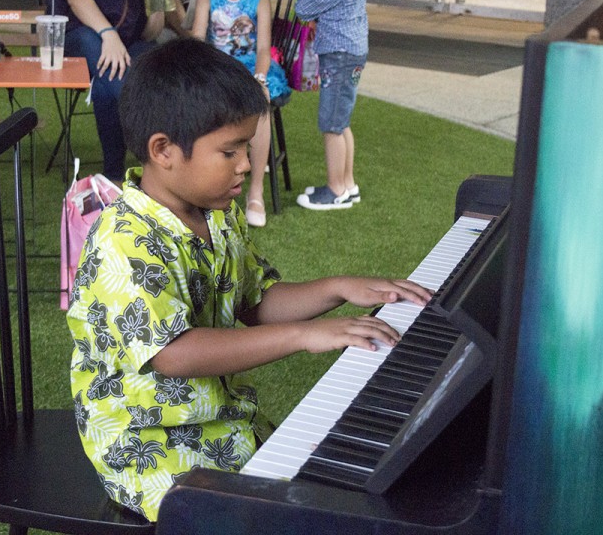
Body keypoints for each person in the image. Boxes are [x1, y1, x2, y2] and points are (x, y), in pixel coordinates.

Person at [65, 38, 432, 521]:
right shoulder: (124, 240)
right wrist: (304, 335)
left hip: (221, 420)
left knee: (344, 494)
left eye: (247, 146)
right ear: (164, 150)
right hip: (149, 447)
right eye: (230, 150)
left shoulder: (216, 212)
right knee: (291, 516)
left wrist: (338, 288)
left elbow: (256, 301)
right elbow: (173, 353)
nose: (246, 163)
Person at [60, 0, 174, 183]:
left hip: (132, 42)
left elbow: (150, 33)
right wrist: (108, 35)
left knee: (111, 82)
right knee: (110, 67)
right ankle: (144, 161)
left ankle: (119, 171)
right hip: (83, 34)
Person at [269, 0, 368, 210]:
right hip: (348, 51)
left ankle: (335, 190)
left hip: (340, 54)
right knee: (341, 120)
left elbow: (304, 8)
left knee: (331, 123)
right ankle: (347, 184)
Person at [191, 0, 288, 228]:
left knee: (260, 98)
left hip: (250, 69)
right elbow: (197, 43)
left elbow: (263, 49)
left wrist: (259, 77)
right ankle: (204, 184)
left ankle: (255, 191)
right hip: (216, 69)